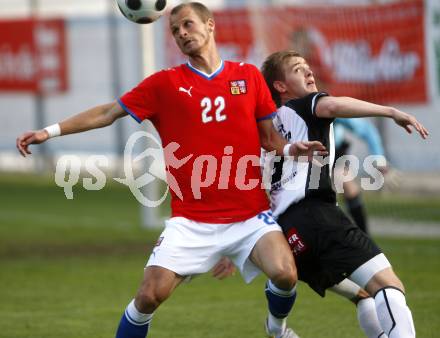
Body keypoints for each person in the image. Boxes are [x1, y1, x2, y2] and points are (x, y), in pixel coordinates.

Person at [16, 4, 327, 338]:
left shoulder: (248, 77)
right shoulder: (165, 84)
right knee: (149, 295)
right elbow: (108, 113)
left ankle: (277, 330)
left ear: (209, 26)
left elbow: (270, 140)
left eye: (187, 25)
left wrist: (293, 148)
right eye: (175, 30)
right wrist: (49, 131)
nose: (181, 33)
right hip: (192, 221)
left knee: (285, 274)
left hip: (249, 216)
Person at [259, 50, 427, 337]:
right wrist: (391, 111)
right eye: (299, 69)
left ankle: (277, 328)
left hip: (289, 235)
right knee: (389, 285)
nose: (309, 72)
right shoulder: (304, 105)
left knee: (363, 294)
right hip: (317, 216)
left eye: (308, 67)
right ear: (280, 86)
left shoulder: (268, 131)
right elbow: (334, 105)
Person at [333, 117, 399, 233]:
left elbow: (367, 130)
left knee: (348, 187)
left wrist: (379, 160)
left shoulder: (329, 107)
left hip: (334, 153)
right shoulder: (294, 108)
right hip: (308, 156)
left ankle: (365, 237)